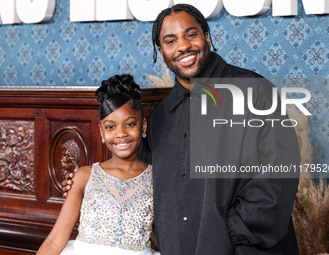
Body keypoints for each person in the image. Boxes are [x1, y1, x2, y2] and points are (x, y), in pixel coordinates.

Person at [64, 4, 301, 255]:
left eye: (191, 34)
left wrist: (229, 232)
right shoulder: (160, 118)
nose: (183, 46)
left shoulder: (253, 91)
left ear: (207, 36)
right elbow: (137, 176)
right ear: (161, 52)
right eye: (170, 40)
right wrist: (89, 182)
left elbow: (279, 172)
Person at [38, 74, 159, 255]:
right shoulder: (84, 176)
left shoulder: (156, 178)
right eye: (111, 127)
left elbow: (163, 234)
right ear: (101, 130)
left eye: (130, 124)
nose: (121, 134)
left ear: (143, 126)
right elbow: (55, 240)